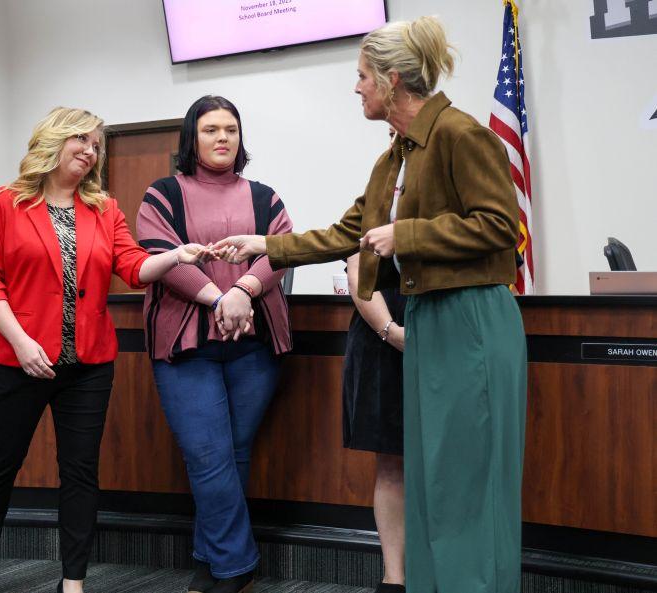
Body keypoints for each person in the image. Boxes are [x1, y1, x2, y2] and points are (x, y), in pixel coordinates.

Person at [215, 17, 527, 593]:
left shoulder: (460, 135)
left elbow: (500, 227)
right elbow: (348, 232)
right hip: (431, 318)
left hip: (473, 319)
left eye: (362, 76)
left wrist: (406, 236)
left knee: (465, 479)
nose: (356, 88)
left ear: (392, 80)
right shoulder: (394, 158)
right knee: (431, 478)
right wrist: (264, 245)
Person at [0, 107, 212, 593]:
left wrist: (174, 257)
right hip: (16, 359)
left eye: (96, 145)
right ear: (53, 141)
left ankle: (72, 581)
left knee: (80, 472)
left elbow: (133, 267)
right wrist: (20, 340)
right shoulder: (3, 202)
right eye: (82, 140)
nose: (90, 151)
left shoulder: (104, 208)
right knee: (1, 464)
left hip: (88, 363)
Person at [136, 95, 293, 593]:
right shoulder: (163, 193)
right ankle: (237, 566)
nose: (223, 137)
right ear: (192, 137)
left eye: (231, 129)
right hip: (185, 347)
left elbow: (283, 248)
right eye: (210, 129)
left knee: (233, 453)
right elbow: (159, 255)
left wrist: (244, 292)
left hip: (254, 345)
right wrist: (219, 299)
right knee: (208, 455)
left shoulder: (264, 196)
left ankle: (210, 555)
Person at [340, 128, 407, 593]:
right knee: (392, 462)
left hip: (441, 332)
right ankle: (394, 578)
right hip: (386, 333)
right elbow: (356, 264)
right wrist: (393, 333)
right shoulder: (381, 190)